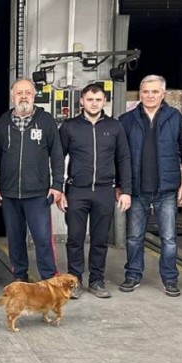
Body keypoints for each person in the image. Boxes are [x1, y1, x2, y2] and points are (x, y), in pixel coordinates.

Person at [118, 75, 182, 297]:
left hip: (166, 189)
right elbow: (119, 156)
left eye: (154, 92)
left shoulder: (174, 118)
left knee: (168, 238)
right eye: (145, 92)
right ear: (139, 94)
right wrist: (121, 186)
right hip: (137, 190)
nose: (150, 96)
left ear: (163, 94)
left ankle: (170, 278)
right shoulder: (127, 120)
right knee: (134, 237)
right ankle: (133, 274)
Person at [58, 82, 132, 299]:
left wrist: (125, 190)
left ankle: (97, 280)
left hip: (104, 191)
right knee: (75, 239)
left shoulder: (115, 127)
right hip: (76, 191)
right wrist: (59, 190)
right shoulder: (69, 127)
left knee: (100, 240)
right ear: (81, 101)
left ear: (104, 102)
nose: (93, 103)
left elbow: (123, 158)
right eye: (89, 99)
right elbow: (57, 159)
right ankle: (74, 281)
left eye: (98, 100)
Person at [0, 79, 64, 285]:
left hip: (38, 194)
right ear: (12, 96)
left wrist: (57, 185)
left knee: (42, 238)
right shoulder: (3, 123)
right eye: (19, 93)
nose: (23, 96)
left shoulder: (46, 121)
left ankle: (49, 278)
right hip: (9, 193)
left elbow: (57, 155)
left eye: (27, 92)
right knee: (15, 238)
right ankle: (20, 276)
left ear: (34, 95)